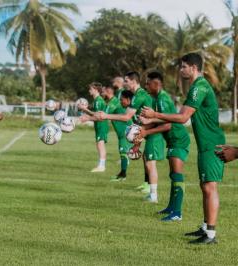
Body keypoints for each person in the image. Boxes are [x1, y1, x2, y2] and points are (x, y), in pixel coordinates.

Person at [141, 53, 225, 244]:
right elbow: (180, 115)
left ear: (193, 68)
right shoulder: (197, 87)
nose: (181, 70)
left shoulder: (199, 87)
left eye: (183, 66)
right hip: (206, 144)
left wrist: (154, 114)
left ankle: (210, 235)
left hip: (212, 144)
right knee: (205, 186)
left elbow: (183, 117)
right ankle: (206, 228)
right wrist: (153, 119)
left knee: (210, 187)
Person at [82, 72, 165, 200]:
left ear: (133, 81)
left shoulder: (139, 95)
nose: (124, 83)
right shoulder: (137, 95)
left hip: (153, 131)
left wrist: (106, 116)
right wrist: (137, 142)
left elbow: (127, 117)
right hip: (147, 130)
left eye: (126, 80)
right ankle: (147, 185)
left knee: (150, 162)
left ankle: (153, 194)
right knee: (146, 159)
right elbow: (137, 118)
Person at [139, 71, 190, 221]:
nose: (146, 86)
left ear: (157, 84)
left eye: (148, 83)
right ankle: (171, 207)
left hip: (178, 139)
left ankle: (177, 213)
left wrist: (147, 132)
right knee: (172, 175)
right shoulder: (155, 99)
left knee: (176, 174)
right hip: (172, 140)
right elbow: (159, 120)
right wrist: (145, 127)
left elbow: (168, 125)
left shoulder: (163, 99)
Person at [100, 86, 132, 180]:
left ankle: (123, 175)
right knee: (123, 152)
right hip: (123, 132)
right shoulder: (113, 102)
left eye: (102, 92)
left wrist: (87, 115)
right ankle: (122, 173)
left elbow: (102, 116)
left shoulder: (113, 103)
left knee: (123, 152)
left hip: (125, 132)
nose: (101, 94)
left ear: (108, 91)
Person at [81, 82, 109, 172]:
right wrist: (85, 110)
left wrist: (87, 117)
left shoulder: (98, 101)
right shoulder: (96, 100)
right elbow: (95, 113)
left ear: (96, 90)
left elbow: (98, 116)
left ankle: (101, 166)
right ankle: (101, 165)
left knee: (100, 145)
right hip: (99, 125)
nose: (89, 90)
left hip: (101, 125)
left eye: (91, 89)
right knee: (99, 144)